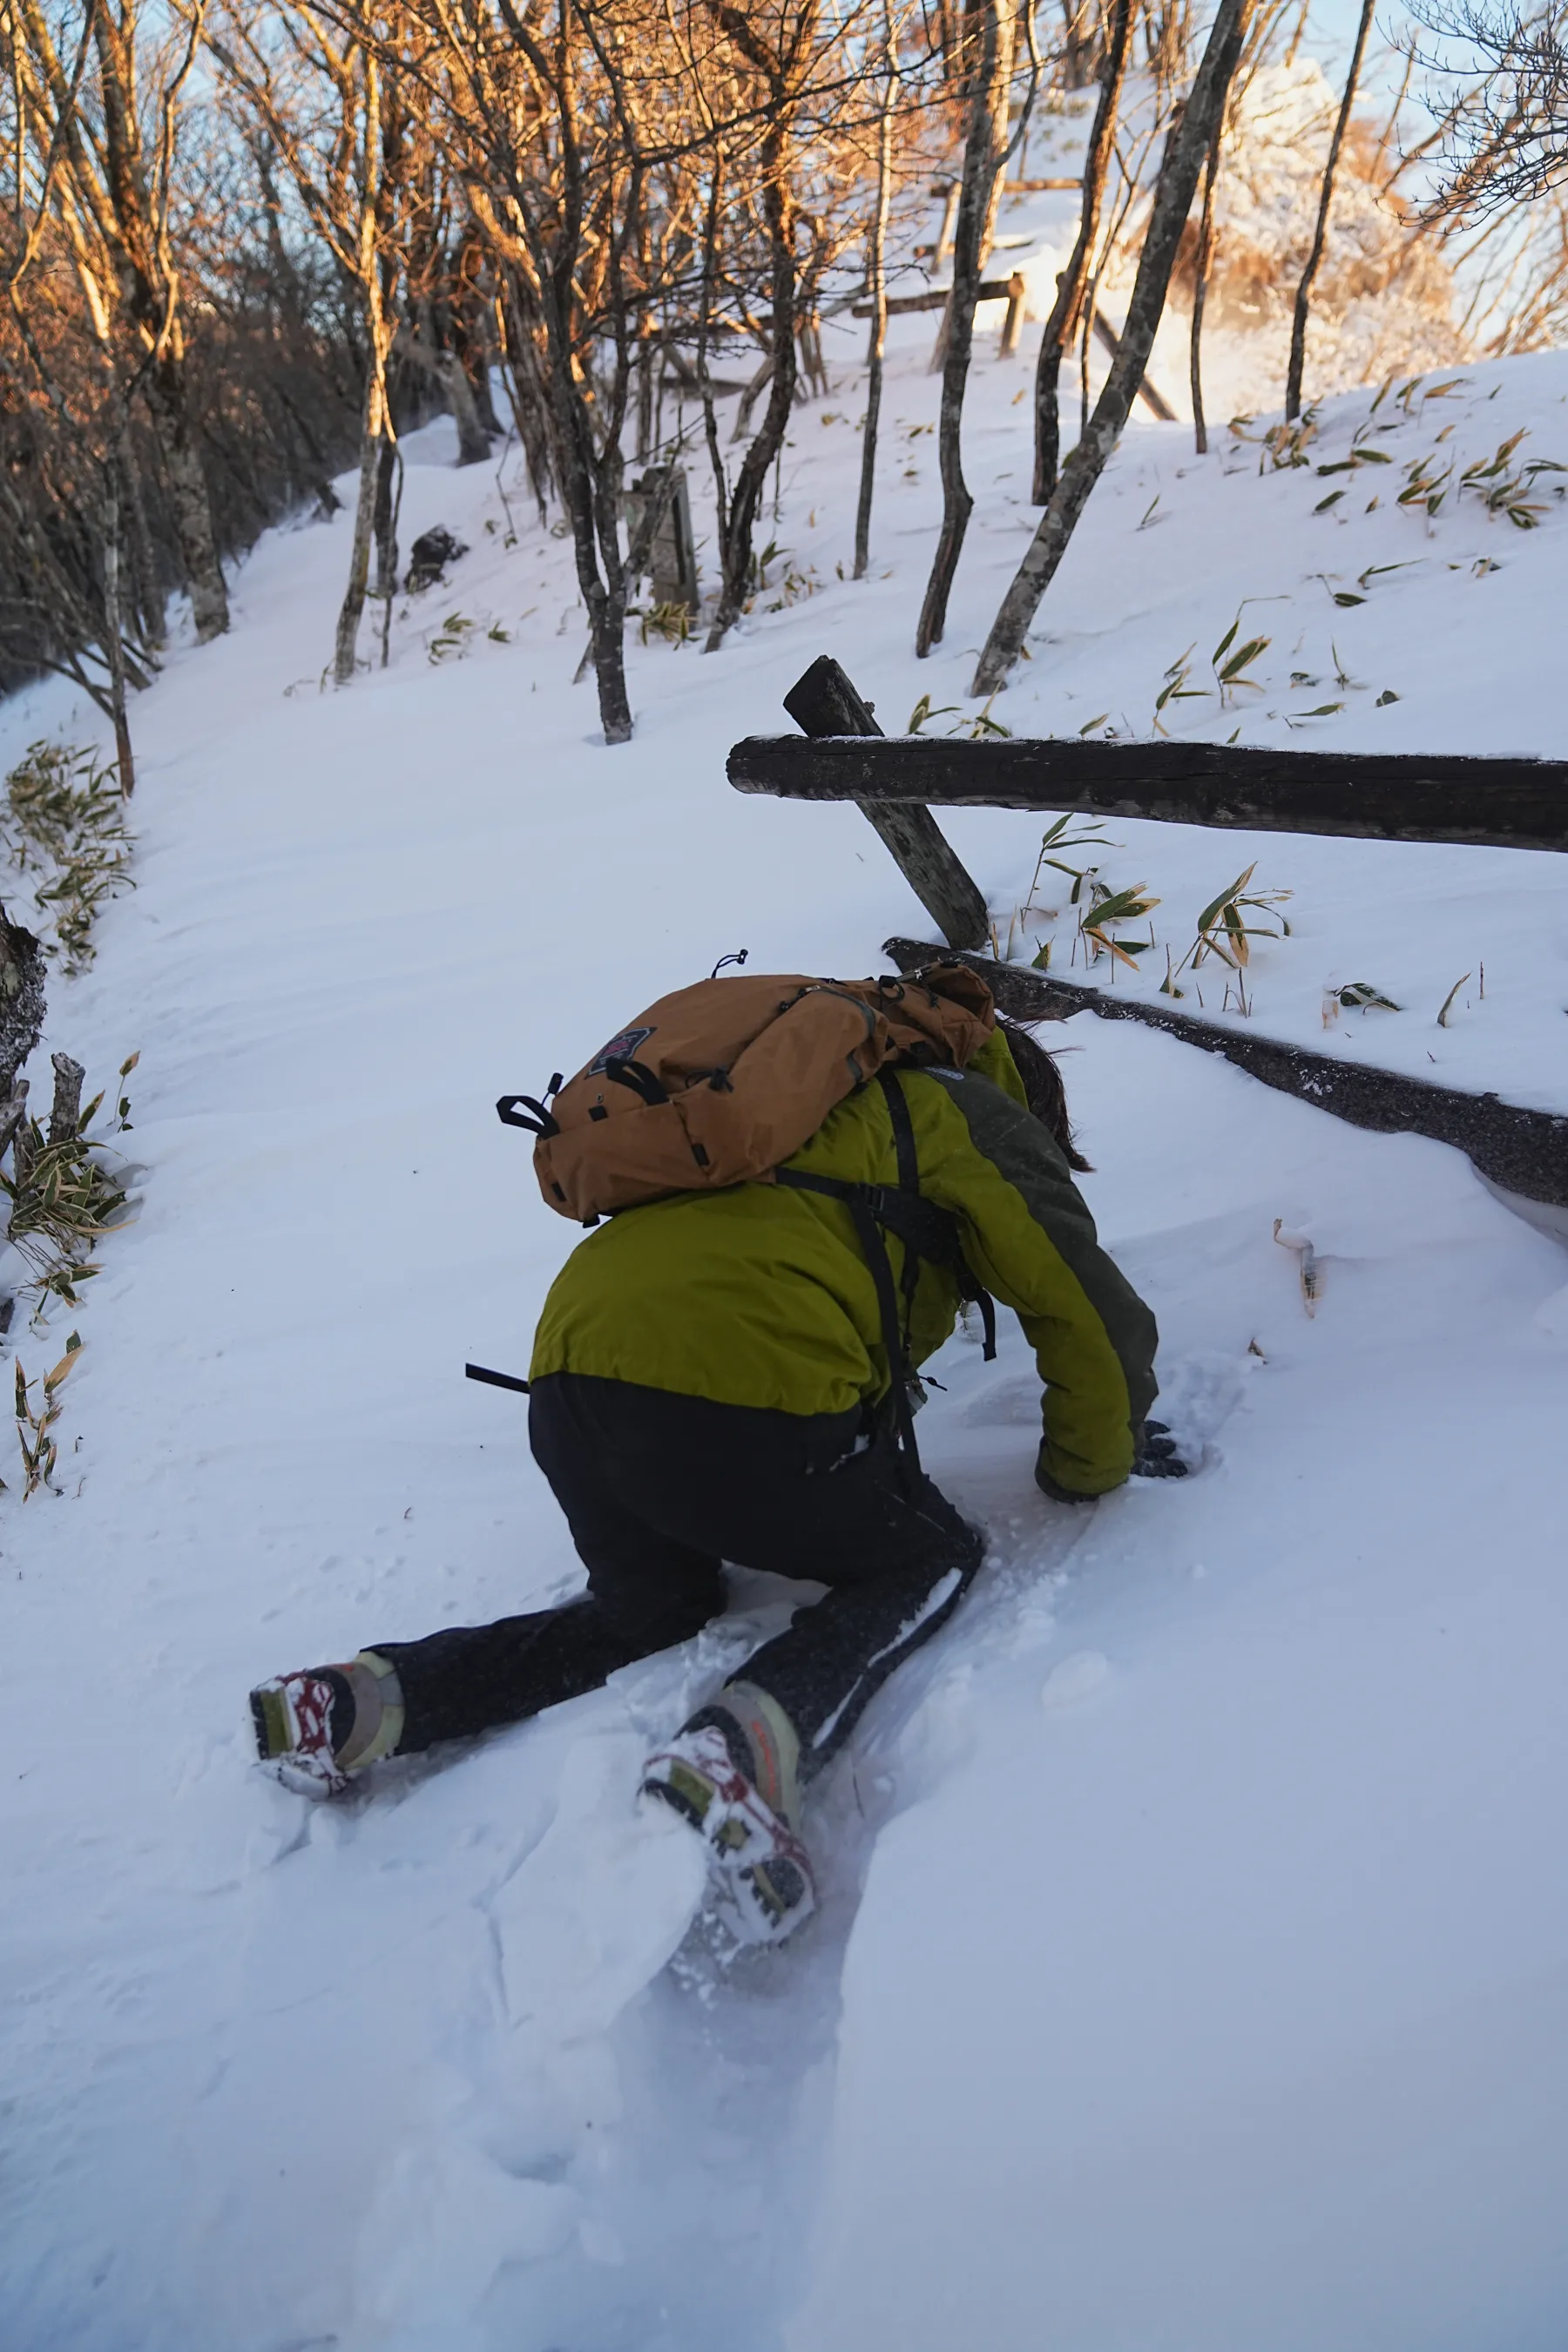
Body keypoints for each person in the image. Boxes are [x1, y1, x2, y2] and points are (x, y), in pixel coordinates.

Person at [252, 989, 1179, 1942]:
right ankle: (742, 1755)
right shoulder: (963, 1111)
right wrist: (1091, 1468)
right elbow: (1084, 1310)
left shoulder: (782, 1104)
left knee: (647, 1612)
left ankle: (361, 1702)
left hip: (569, 1383)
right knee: (923, 1554)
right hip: (737, 1382)